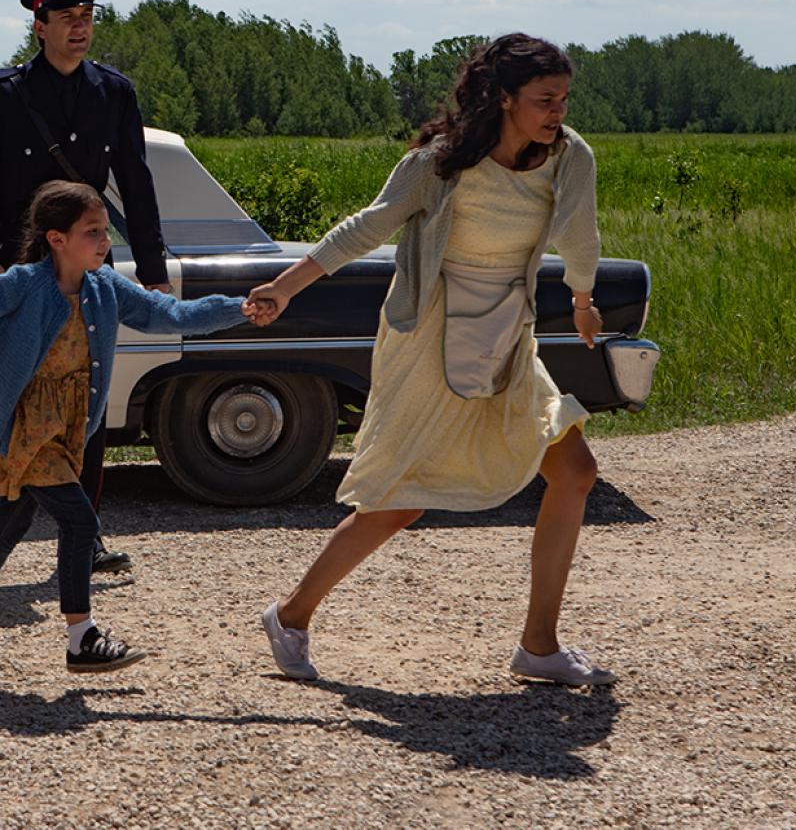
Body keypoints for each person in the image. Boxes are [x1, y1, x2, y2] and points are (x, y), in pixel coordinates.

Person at [247, 34, 617, 687]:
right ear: (504, 98)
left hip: (508, 334)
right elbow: (367, 227)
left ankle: (538, 645)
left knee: (576, 470)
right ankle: (291, 614)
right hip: (430, 337)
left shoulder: (570, 156)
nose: (558, 110)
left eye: (563, 98)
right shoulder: (439, 164)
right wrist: (285, 286)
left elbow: (580, 232)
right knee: (398, 503)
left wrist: (584, 300)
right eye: (544, 99)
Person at [0, 181, 259, 673]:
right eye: (93, 232)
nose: (105, 242)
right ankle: (81, 637)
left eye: (105, 231)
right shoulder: (23, 282)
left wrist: (240, 308)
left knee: (12, 519)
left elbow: (170, 313)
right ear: (56, 239)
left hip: (67, 426)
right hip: (22, 423)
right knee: (80, 522)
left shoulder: (106, 286)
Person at [0, 0, 168, 587]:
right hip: (25, 272)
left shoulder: (112, 92)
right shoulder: (4, 95)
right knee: (6, 401)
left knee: (85, 402)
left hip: (89, 272)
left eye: (87, 17)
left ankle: (83, 538)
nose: (79, 28)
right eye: (66, 18)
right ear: (38, 26)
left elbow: (137, 185)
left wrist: (151, 270)